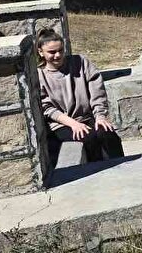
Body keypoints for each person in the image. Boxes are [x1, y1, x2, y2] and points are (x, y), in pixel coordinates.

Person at [36, 28, 124, 163]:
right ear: (41, 52)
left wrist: (100, 116)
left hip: (87, 117)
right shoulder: (40, 76)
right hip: (62, 124)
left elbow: (97, 91)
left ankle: (122, 167)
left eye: (60, 50)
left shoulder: (81, 62)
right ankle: (99, 173)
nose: (58, 55)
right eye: (52, 52)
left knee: (108, 134)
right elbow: (47, 109)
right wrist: (73, 124)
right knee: (88, 138)